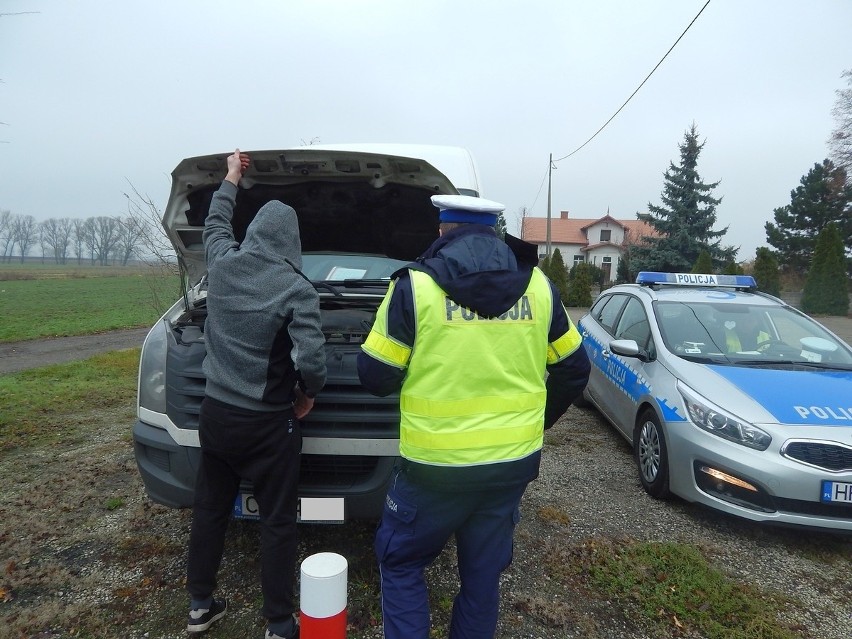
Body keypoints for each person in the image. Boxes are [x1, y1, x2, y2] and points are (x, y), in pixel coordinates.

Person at [357, 194, 591, 639]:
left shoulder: (415, 286)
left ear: (443, 231)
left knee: (402, 562)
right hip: (509, 468)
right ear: (496, 233)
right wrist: (533, 425)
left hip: (433, 472)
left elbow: (376, 377)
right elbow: (574, 368)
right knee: (482, 580)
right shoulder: (540, 287)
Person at [185, 149, 327, 639]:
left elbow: (215, 226)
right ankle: (280, 623)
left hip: (216, 416)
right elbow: (312, 359)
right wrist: (307, 395)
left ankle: (200, 606)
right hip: (269, 426)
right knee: (277, 522)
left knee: (210, 509)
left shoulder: (222, 265)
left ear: (255, 235)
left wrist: (229, 180)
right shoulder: (296, 288)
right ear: (291, 242)